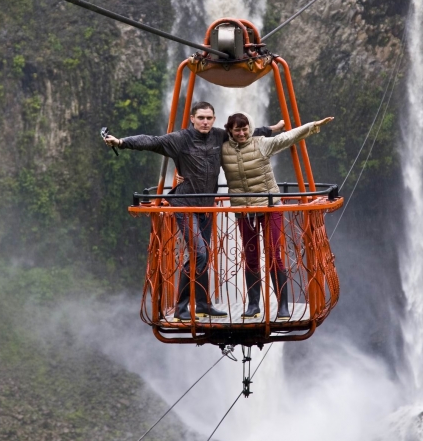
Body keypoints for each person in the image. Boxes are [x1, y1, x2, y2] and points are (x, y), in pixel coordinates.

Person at [103, 102, 284, 321]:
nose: (205, 122)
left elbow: (244, 131)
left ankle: (203, 304)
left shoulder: (220, 136)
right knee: (199, 254)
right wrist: (121, 142)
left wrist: (271, 129)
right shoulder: (180, 139)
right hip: (185, 205)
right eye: (201, 118)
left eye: (209, 118)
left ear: (214, 119)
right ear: (192, 118)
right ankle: (181, 308)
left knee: (203, 256)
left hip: (205, 207)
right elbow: (151, 141)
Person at [221, 112, 334, 320]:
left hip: (270, 206)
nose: (242, 133)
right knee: (251, 257)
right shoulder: (223, 149)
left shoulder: (261, 143)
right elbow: (200, 160)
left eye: (245, 128)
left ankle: (282, 304)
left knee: (274, 254)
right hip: (244, 210)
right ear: (230, 130)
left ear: (250, 127)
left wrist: (313, 125)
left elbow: (287, 137)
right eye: (237, 129)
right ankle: (253, 305)